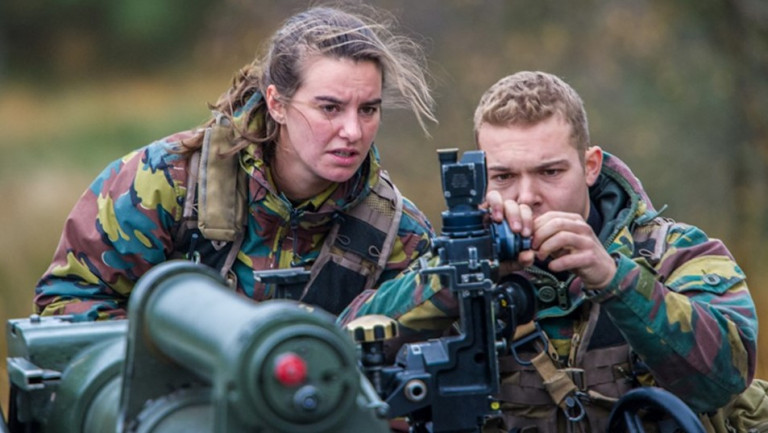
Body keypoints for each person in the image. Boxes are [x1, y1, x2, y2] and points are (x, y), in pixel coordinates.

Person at [340, 71, 758, 431]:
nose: (528, 195)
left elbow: (727, 378)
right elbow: (340, 358)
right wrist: (457, 277)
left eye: (550, 172)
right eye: (503, 176)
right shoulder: (453, 264)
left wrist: (615, 278)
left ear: (590, 166)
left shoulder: (676, 252)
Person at [34, 5, 437, 321]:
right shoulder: (168, 183)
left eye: (368, 110)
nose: (352, 130)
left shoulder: (394, 235)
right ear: (277, 103)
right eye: (330, 108)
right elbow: (67, 302)